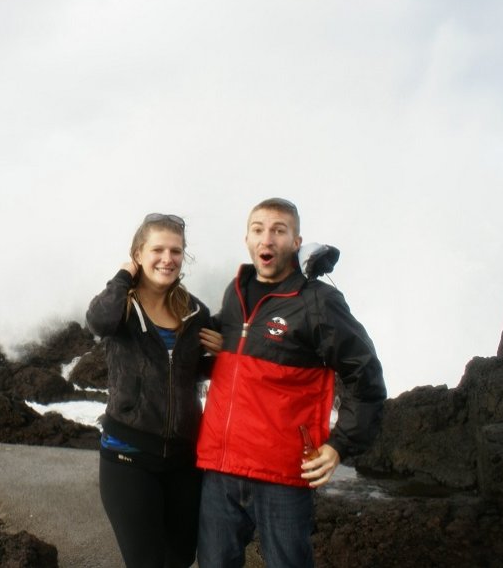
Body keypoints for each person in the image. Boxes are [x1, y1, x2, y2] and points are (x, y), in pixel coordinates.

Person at [195, 197, 386, 567]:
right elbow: (232, 354)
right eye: (258, 229)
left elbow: (365, 374)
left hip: (282, 473)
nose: (267, 239)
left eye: (279, 231)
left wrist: (339, 445)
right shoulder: (234, 295)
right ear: (247, 239)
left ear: (296, 242)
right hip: (220, 468)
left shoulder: (318, 302)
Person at [86, 212, 223, 568]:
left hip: (184, 458)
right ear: (138, 255)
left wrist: (226, 353)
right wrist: (122, 276)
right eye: (158, 249)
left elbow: (188, 371)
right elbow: (98, 322)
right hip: (128, 455)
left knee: (180, 557)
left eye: (176, 251)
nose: (168, 259)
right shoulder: (122, 308)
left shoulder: (194, 312)